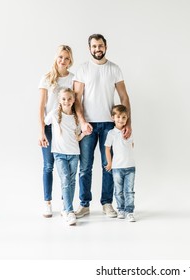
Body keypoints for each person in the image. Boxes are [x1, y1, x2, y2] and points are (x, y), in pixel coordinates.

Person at [73, 33, 132, 219]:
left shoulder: (114, 69)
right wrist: (82, 122)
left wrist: (127, 123)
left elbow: (124, 97)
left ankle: (107, 203)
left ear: (105, 46)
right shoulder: (82, 69)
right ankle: (84, 205)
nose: (97, 49)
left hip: (109, 124)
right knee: (85, 166)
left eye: (100, 46)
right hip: (88, 125)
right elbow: (76, 99)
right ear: (89, 48)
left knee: (108, 165)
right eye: (94, 46)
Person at [38, 45, 74, 218]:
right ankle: (47, 202)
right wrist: (41, 131)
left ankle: (65, 203)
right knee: (48, 165)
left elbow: (77, 104)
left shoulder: (73, 79)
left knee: (66, 168)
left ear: (70, 61)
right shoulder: (47, 78)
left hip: (66, 128)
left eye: (66, 58)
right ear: (56, 58)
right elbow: (40, 107)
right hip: (49, 127)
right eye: (60, 57)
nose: (63, 61)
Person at [44, 88, 85, 226]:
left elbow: (77, 137)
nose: (66, 101)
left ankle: (65, 208)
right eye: (63, 99)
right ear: (59, 100)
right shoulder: (55, 114)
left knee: (72, 181)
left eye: (69, 99)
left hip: (74, 153)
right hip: (59, 154)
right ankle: (69, 211)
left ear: (73, 100)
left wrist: (84, 133)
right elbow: (45, 122)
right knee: (66, 180)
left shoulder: (76, 117)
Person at [105, 105, 136, 222]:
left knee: (129, 191)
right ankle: (121, 210)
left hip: (130, 167)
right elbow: (107, 149)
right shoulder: (111, 133)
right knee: (118, 191)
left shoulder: (129, 132)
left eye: (124, 117)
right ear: (113, 117)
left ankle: (129, 211)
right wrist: (110, 163)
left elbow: (132, 145)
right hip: (117, 167)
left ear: (127, 118)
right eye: (118, 117)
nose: (121, 120)